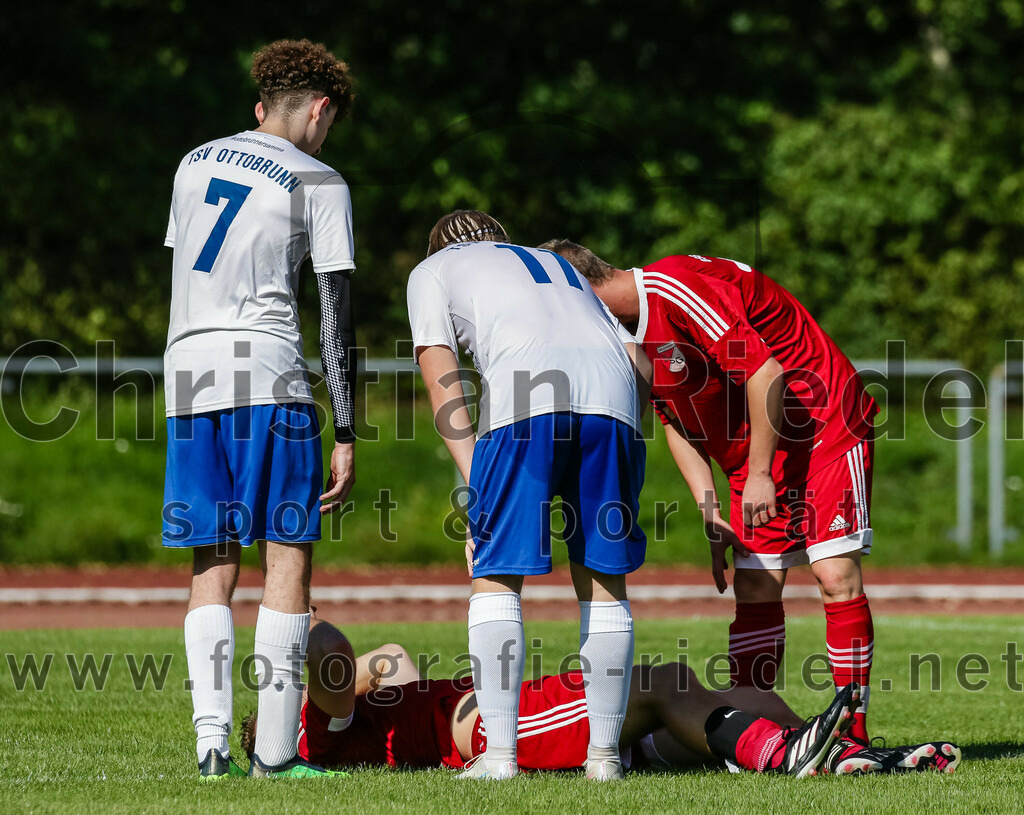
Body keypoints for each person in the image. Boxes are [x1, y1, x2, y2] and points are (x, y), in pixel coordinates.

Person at [541, 241, 880, 744]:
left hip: (824, 424)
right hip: (757, 450)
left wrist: (760, 473)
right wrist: (710, 505)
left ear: (577, 287)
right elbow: (674, 418)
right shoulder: (623, 332)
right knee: (757, 586)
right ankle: (763, 730)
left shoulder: (673, 288)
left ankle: (852, 732)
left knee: (834, 575)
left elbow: (767, 373)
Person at [162, 39, 358, 779]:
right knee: (287, 553)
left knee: (210, 557)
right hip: (268, 374)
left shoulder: (192, 162)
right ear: (319, 109)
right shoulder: (321, 179)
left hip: (188, 373)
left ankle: (212, 743)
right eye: (329, 122)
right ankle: (275, 756)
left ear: (257, 108)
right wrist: (345, 428)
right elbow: (335, 318)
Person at [405, 211, 652, 780]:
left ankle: (499, 758)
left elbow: (439, 370)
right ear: (498, 237)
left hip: (526, 400)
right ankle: (605, 758)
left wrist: (475, 480)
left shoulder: (431, 271)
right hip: (612, 403)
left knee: (495, 576)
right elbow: (638, 361)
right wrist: (625, 435)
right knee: (602, 580)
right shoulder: (556, 264)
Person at [240, 615, 962, 776]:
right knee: (656, 682)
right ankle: (783, 757)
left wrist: (373, 670)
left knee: (738, 692)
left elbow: (389, 657)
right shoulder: (313, 731)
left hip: (515, 705)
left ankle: (847, 758)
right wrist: (291, 618)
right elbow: (333, 650)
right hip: (503, 728)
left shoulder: (357, 712)